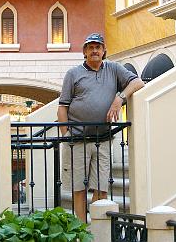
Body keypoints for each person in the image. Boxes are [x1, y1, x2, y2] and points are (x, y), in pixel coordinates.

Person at [57, 33, 144, 221]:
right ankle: (81, 229)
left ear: (104, 51)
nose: (95, 50)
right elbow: (62, 107)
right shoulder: (73, 74)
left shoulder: (113, 69)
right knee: (78, 188)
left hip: (102, 139)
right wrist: (66, 135)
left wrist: (119, 98)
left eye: (98, 47)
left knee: (102, 187)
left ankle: (97, 227)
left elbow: (138, 82)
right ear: (84, 52)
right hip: (76, 141)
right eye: (90, 47)